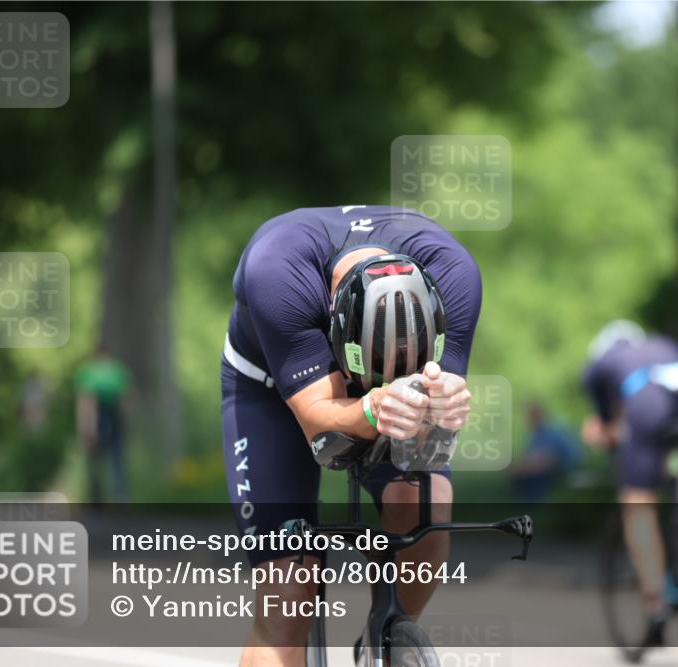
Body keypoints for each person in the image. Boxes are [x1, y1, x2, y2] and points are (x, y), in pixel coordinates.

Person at [221, 205, 480, 667]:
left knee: (427, 505)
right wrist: (370, 405)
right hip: (268, 390)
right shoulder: (277, 273)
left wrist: (446, 402)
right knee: (287, 596)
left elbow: (436, 413)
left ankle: (386, 635)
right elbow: (318, 420)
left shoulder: (454, 271)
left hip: (387, 396)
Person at [580, 320, 678, 647]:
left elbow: (607, 421)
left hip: (649, 403)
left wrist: (610, 436)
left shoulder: (601, 364)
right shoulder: (662, 342)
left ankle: (655, 603)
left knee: (636, 502)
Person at [75, 346, 132, 503]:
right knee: (117, 458)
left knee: (95, 458)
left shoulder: (88, 372)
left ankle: (96, 497)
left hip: (97, 416)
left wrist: (85, 428)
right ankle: (119, 496)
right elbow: (127, 399)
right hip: (114, 416)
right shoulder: (117, 370)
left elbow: (86, 401)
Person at [509, 402, 582, 502]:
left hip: (565, 470)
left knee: (533, 477)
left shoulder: (552, 431)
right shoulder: (533, 436)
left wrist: (522, 469)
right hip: (550, 469)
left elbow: (549, 460)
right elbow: (530, 457)